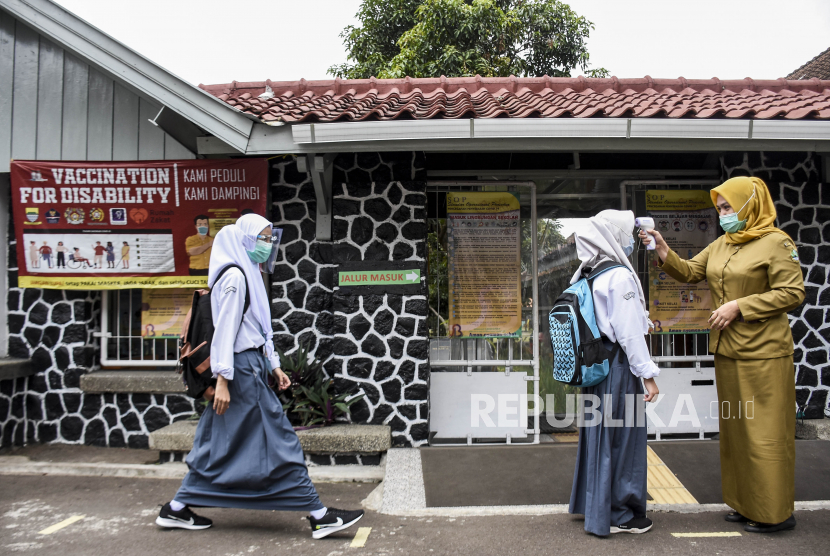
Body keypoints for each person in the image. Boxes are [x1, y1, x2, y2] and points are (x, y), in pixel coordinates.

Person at [156, 213, 364, 538]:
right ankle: (319, 515)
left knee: (214, 443)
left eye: (270, 238)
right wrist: (222, 380)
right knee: (281, 440)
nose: (268, 244)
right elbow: (225, 332)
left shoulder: (247, 274)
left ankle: (177, 508)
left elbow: (255, 330)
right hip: (239, 372)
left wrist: (274, 365)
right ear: (246, 240)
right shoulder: (236, 278)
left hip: (246, 366)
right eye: (263, 238)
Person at [640, 176, 804, 534]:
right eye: (720, 209)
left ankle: (774, 511)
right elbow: (689, 272)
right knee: (737, 433)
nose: (723, 214)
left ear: (750, 204)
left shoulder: (777, 243)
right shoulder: (721, 244)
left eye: (728, 207)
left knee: (765, 432)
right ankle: (748, 503)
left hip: (764, 354)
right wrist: (663, 247)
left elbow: (792, 292)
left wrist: (741, 306)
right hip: (728, 351)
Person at [569, 209, 659, 537]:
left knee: (599, 437)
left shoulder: (586, 273)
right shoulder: (619, 276)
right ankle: (621, 513)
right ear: (614, 235)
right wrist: (647, 374)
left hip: (596, 370)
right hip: (619, 368)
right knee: (624, 439)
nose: (630, 240)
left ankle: (593, 504)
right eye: (626, 233)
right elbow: (629, 331)